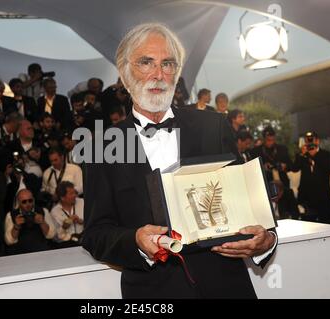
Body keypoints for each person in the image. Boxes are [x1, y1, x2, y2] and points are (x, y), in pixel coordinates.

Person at [82, 23, 277, 299]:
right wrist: (135, 240)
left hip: (228, 288)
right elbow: (96, 233)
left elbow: (248, 205)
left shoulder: (214, 125)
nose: (159, 75)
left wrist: (266, 239)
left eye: (168, 64)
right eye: (146, 63)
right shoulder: (102, 147)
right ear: (125, 74)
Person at [292, 132, 330, 224]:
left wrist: (313, 155)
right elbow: (294, 169)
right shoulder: (302, 155)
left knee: (326, 223)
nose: (310, 142)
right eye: (308, 139)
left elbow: (328, 168)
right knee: (308, 225)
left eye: (312, 139)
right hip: (306, 197)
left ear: (318, 141)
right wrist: (302, 155)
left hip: (323, 196)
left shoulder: (327, 155)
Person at [4, 189, 55, 255]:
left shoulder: (43, 211)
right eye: (24, 202)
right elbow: (9, 241)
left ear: (33, 200)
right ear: (19, 202)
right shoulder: (10, 215)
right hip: (20, 253)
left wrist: (42, 223)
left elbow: (51, 235)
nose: (28, 204)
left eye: (30, 201)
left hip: (41, 252)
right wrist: (16, 227)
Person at [50, 181, 84, 248]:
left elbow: (94, 223)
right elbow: (55, 238)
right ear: (62, 197)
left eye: (75, 192)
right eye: (71, 193)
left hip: (84, 240)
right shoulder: (55, 212)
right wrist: (64, 227)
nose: (75, 195)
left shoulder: (82, 203)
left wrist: (82, 222)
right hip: (66, 245)